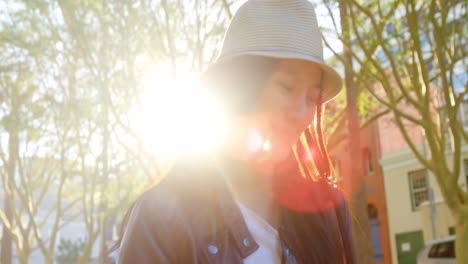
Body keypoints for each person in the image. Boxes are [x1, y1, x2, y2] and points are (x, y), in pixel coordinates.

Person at [117, 0, 357, 263]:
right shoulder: (160, 218)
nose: (301, 114)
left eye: (312, 98)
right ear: (240, 86)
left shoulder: (329, 211)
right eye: (287, 87)